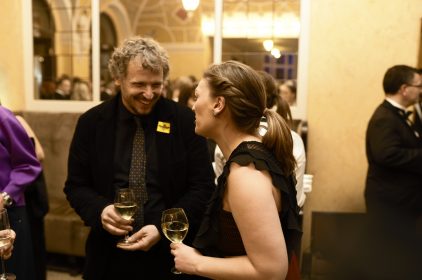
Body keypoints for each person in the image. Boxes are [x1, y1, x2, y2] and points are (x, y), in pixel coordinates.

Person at [64, 36, 214, 279]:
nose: (148, 93)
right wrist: (101, 210)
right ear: (117, 78)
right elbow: (76, 186)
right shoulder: (92, 123)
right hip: (107, 255)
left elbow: (203, 188)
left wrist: (162, 227)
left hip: (170, 256)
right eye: (139, 84)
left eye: (156, 85)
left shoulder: (185, 121)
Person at [170, 61, 302, 279]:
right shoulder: (248, 158)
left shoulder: (246, 173)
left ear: (218, 104)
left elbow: (271, 270)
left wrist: (196, 263)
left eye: (198, 96)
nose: (193, 106)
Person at [364, 65, 422, 279]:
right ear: (404, 89)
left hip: (401, 201)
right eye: (419, 86)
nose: (421, 90)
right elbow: (386, 155)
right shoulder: (385, 118)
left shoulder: (398, 115)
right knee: (389, 262)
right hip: (390, 204)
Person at [0, 104, 41, 280]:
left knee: (13, 272)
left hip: (8, 213)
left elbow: (29, 165)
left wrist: (5, 197)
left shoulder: (3, 117)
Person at [15, 115, 49, 280]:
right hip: (13, 195)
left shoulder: (15, 119)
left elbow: (39, 154)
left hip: (26, 194)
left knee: (32, 249)